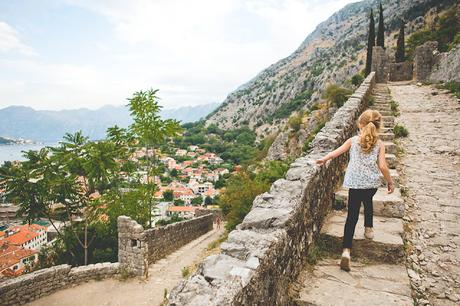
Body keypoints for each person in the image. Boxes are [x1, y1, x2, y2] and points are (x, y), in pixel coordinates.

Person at [316, 109, 395, 271]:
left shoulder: (353, 140)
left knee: (351, 216)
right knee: (368, 203)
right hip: (371, 183)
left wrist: (324, 158)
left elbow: (336, 152)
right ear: (378, 126)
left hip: (355, 183)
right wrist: (390, 182)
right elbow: (382, 166)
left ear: (360, 124)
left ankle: (346, 251)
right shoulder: (379, 144)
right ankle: (369, 229)